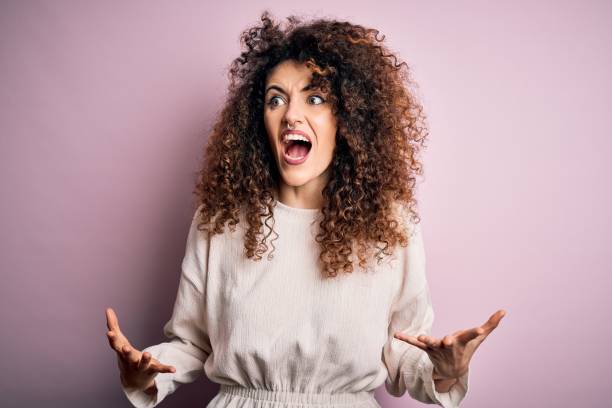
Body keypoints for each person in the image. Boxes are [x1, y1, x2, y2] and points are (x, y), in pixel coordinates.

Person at [105, 11, 506, 408]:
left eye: (315, 98)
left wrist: (446, 370)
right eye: (275, 99)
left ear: (347, 118)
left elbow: (403, 351)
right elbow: (190, 342)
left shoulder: (390, 225)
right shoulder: (219, 221)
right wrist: (145, 372)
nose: (291, 115)